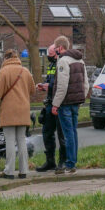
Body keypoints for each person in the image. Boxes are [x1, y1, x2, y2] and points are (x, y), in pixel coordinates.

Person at [0, 49, 36, 179]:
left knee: (9, 142)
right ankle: (24, 171)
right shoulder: (25, 71)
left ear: (6, 58)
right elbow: (32, 90)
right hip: (23, 110)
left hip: (8, 111)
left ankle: (9, 171)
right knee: (21, 140)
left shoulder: (4, 72)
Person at [51, 35, 89, 175]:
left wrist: (56, 104)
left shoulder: (63, 62)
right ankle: (73, 161)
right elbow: (86, 84)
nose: (55, 51)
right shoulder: (80, 61)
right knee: (73, 132)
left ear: (60, 47)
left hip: (65, 103)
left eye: (56, 49)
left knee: (68, 134)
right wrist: (81, 98)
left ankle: (70, 164)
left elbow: (62, 86)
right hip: (76, 102)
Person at [36, 44, 67, 172]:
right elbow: (51, 79)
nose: (49, 58)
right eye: (48, 55)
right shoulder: (51, 65)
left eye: (51, 55)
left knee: (61, 135)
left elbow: (61, 83)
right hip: (49, 103)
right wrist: (44, 85)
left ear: (57, 53)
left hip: (60, 103)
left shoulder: (62, 63)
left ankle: (63, 162)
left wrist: (50, 86)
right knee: (47, 133)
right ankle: (50, 161)